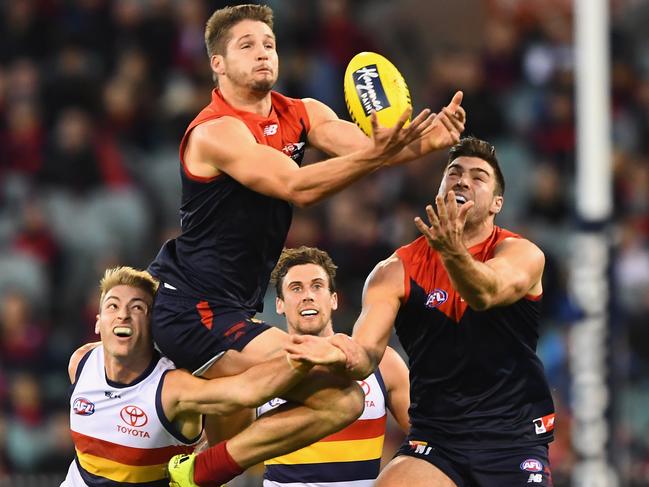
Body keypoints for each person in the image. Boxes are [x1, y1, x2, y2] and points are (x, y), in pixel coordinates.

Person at [147, 3, 466, 480]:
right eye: (246, 45)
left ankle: (197, 460)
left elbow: (366, 151)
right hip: (192, 307)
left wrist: (425, 141)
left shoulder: (303, 113)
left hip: (235, 310)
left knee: (343, 402)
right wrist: (383, 153)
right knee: (338, 390)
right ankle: (194, 463)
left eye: (269, 45)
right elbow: (298, 186)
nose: (263, 54)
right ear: (217, 63)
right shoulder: (215, 132)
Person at [298, 137, 556, 487]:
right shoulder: (394, 270)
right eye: (454, 173)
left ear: (497, 203)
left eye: (478, 177)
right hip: (437, 441)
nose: (463, 180)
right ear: (438, 190)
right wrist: (332, 352)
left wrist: (451, 252)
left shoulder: (522, 253)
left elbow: (486, 292)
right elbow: (365, 356)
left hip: (512, 437)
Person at [62, 266, 349, 487]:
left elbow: (246, 391)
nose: (123, 315)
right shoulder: (81, 362)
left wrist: (304, 356)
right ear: (98, 322)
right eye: (112, 306)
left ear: (153, 326)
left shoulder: (173, 387)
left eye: (137, 308)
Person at [257, 246, 410, 486]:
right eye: (296, 288)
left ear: (334, 299)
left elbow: (429, 433)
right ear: (279, 304)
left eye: (317, 286)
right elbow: (224, 443)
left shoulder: (383, 363)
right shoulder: (260, 368)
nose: (307, 295)